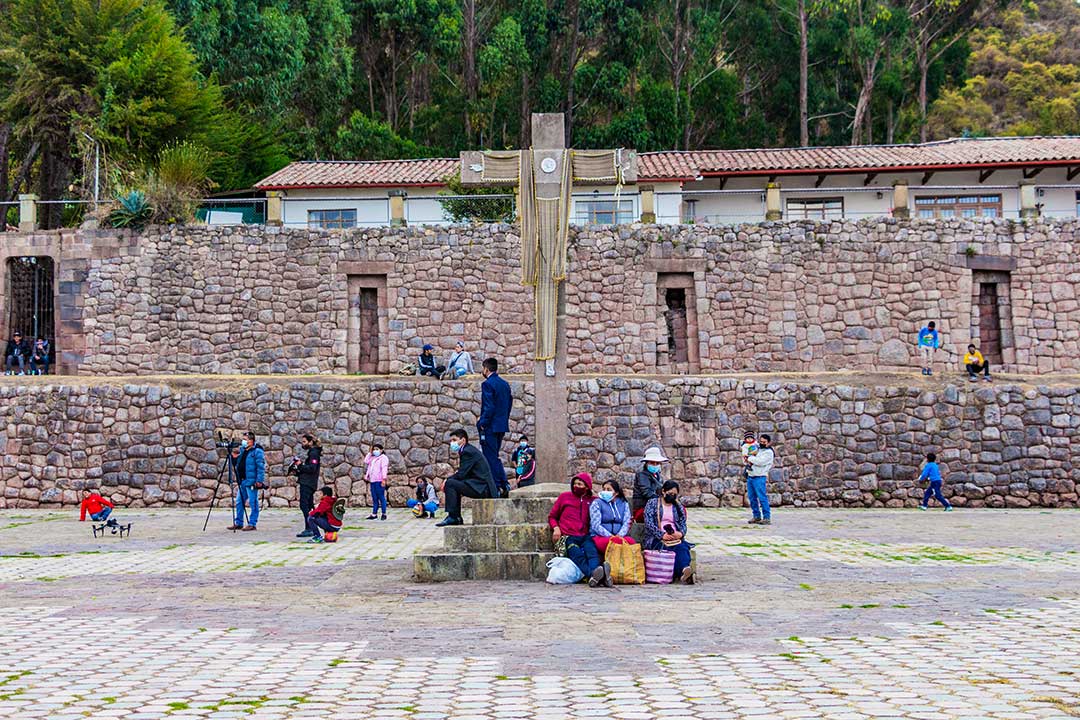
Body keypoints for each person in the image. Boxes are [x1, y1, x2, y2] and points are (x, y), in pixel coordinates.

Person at [549, 472, 611, 588]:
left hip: (586, 536)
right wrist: (556, 529)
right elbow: (552, 516)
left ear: (587, 487)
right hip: (569, 536)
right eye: (575, 484)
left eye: (580, 484)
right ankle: (597, 576)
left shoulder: (593, 501)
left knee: (592, 552)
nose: (576, 486)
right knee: (576, 554)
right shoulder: (564, 497)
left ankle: (596, 575)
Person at [437, 429, 497, 526]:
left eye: (454, 440)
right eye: (451, 441)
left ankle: (453, 517)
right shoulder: (467, 450)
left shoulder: (467, 452)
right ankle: (456, 517)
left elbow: (461, 474)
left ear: (463, 440)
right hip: (480, 486)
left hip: (483, 489)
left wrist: (447, 480)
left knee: (450, 484)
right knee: (454, 484)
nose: (452, 443)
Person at [643, 480, 695, 584]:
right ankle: (681, 573)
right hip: (657, 538)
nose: (672, 496)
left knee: (682, 548)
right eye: (670, 493)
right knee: (668, 550)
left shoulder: (678, 506)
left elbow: (682, 523)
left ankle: (685, 570)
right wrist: (662, 535)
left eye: (674, 494)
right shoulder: (652, 503)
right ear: (663, 491)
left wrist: (680, 533)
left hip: (675, 537)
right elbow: (648, 523)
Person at [477, 357, 513, 497]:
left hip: (490, 427)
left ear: (486, 369)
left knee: (490, 457)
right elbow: (509, 404)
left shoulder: (487, 384)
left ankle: (498, 486)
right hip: (501, 425)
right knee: (495, 456)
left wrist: (482, 423)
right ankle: (504, 483)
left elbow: (489, 406)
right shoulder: (505, 384)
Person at [228, 431, 264, 531]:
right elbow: (239, 463)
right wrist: (234, 458)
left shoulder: (257, 451)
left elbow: (260, 467)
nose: (243, 441)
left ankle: (252, 523)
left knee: (253, 502)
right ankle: (238, 522)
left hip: (251, 481)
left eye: (245, 440)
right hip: (243, 481)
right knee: (239, 502)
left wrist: (259, 480)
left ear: (251, 441)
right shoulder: (243, 450)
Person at [589, 479, 635, 554]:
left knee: (631, 541)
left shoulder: (624, 503)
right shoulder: (597, 503)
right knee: (615, 543)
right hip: (600, 536)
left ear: (616, 493)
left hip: (620, 536)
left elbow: (626, 522)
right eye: (604, 489)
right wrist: (611, 536)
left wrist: (619, 535)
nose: (605, 491)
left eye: (609, 489)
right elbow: (595, 525)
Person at [289, 434, 322, 537]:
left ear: (310, 442)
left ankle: (310, 528)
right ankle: (311, 526)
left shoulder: (314, 453)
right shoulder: (312, 453)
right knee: (308, 505)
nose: (303, 444)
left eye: (304, 442)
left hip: (308, 483)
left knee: (305, 505)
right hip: (307, 482)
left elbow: (312, 468)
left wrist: (300, 465)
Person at [632, 446, 669, 522]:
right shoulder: (642, 475)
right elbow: (647, 492)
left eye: (657, 463)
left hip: (656, 506)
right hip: (643, 508)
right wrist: (663, 501)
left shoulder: (658, 476)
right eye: (652, 462)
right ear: (646, 463)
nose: (655, 465)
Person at [746, 433, 774, 525]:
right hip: (751, 476)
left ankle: (766, 517)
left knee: (762, 497)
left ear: (769, 443)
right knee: (752, 498)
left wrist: (750, 458)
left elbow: (760, 462)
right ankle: (756, 516)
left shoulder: (769, 452)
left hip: (760, 477)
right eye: (761, 441)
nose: (762, 443)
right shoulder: (758, 449)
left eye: (764, 442)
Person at [364, 443, 389, 520]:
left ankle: (384, 513)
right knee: (374, 497)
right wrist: (370, 453)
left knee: (381, 497)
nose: (375, 451)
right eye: (374, 449)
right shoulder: (372, 458)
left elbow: (384, 468)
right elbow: (366, 461)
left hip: (379, 480)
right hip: (373, 480)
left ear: (381, 450)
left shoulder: (383, 458)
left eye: (377, 449)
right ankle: (374, 513)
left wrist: (384, 479)